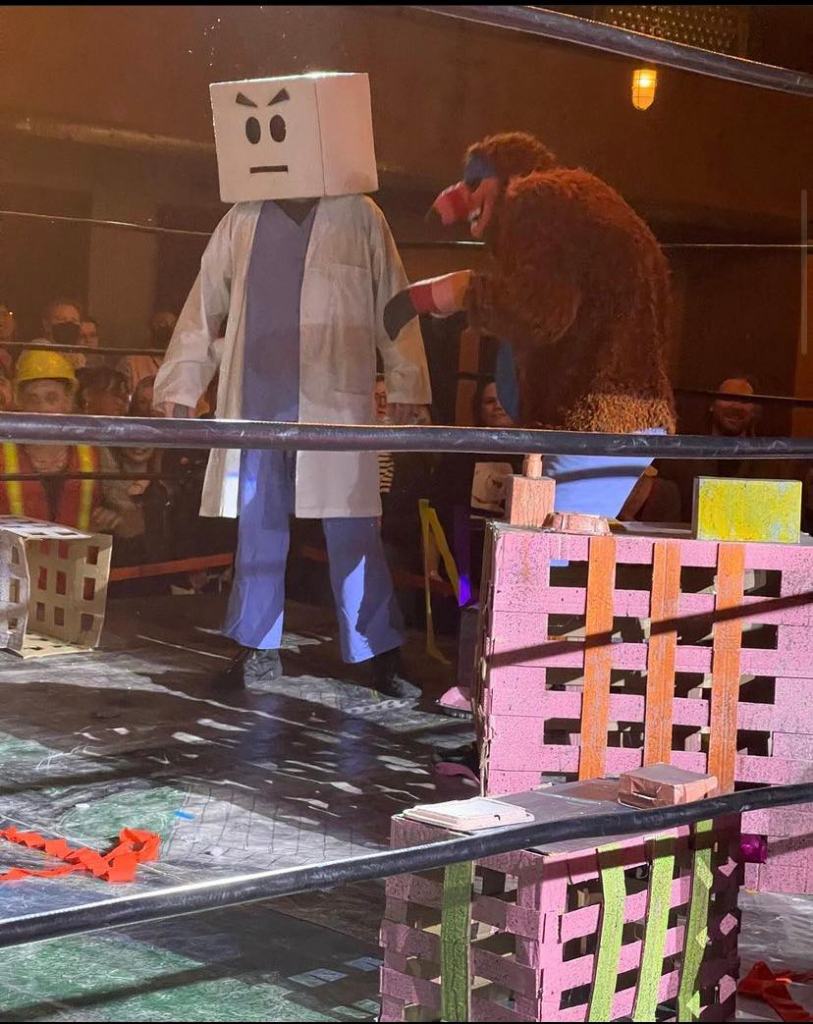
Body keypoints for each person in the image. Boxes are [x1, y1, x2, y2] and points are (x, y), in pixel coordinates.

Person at [154, 72, 431, 697]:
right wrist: (182, 382)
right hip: (256, 400)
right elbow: (205, 302)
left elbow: (393, 303)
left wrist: (408, 380)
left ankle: (378, 651)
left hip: (335, 401)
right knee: (258, 525)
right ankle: (256, 645)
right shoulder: (243, 216)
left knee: (353, 524)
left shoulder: (360, 214)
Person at [388, 130, 675, 517]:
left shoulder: (534, 196)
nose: (461, 198)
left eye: (474, 183)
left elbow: (539, 310)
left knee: (548, 545)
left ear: (505, 175)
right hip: (619, 416)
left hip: (597, 419)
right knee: (555, 540)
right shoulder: (582, 203)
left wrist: (457, 292)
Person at [0, 350, 105, 529]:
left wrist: (112, 516)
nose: (42, 408)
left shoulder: (96, 452)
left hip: (79, 549)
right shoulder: (2, 453)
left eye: (51, 398)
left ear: (67, 402)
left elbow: (128, 519)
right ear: (21, 404)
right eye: (33, 399)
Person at [117, 311, 177, 394]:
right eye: (162, 324)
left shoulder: (185, 361)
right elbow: (123, 396)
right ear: (151, 329)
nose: (169, 331)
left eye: (173, 325)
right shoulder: (131, 362)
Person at [41, 297, 86, 370]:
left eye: (74, 321)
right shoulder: (38, 350)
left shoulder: (80, 358)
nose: (68, 324)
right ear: (46, 325)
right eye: (62, 319)